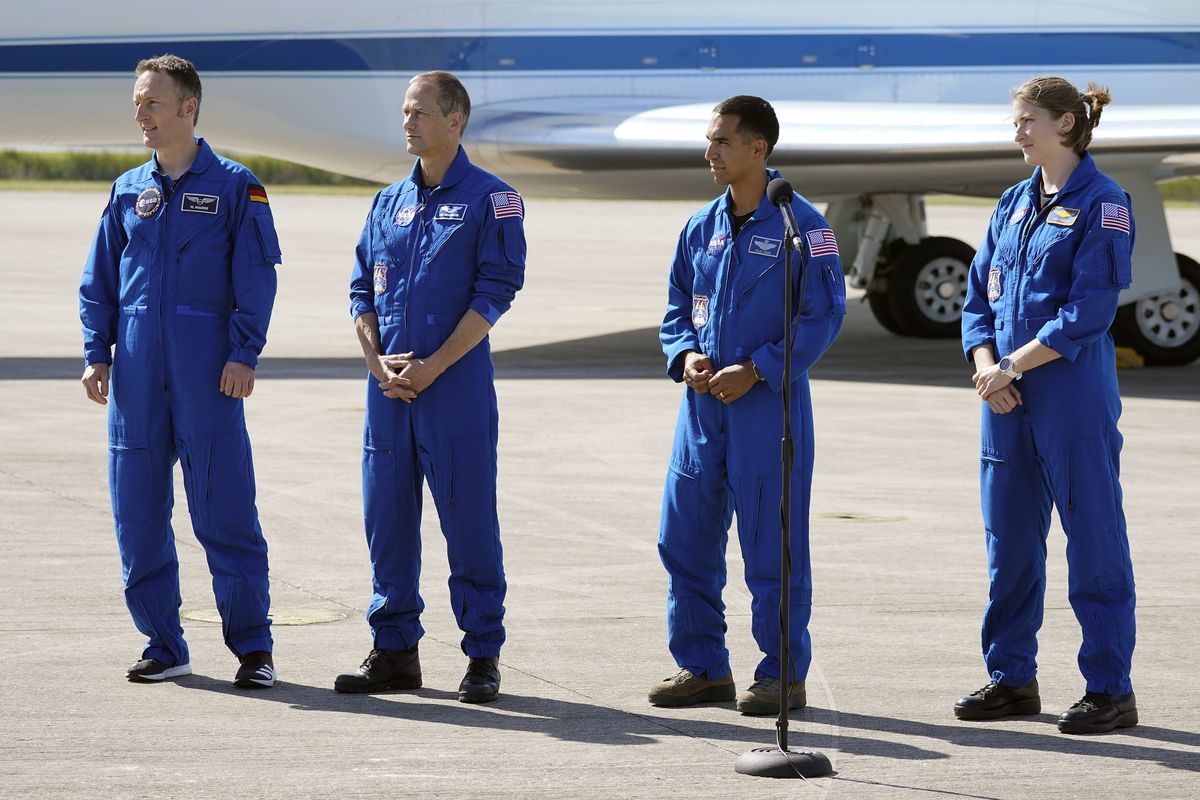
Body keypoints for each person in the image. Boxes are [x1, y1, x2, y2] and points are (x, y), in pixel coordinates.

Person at [78, 54, 282, 688]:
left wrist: (244, 354)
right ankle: (164, 644)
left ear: (188, 108)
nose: (141, 113)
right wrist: (97, 353)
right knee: (136, 515)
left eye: (152, 103)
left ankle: (253, 649)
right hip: (136, 379)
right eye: (138, 102)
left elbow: (256, 278)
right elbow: (100, 281)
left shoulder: (234, 186)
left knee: (224, 514)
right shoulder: (126, 191)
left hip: (207, 377)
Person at [648, 96, 846, 715]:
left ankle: (781, 673)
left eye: (721, 142)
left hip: (767, 412)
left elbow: (824, 315)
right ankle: (702, 666)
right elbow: (678, 307)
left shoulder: (802, 227)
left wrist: (759, 368)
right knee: (684, 542)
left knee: (772, 546)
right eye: (709, 142)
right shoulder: (700, 225)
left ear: (758, 150)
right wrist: (686, 356)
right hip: (702, 414)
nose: (710, 153)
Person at [336, 71, 526, 703]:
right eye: (404, 112)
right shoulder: (387, 201)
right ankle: (394, 651)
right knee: (385, 521)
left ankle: (482, 655)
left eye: (420, 112)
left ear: (455, 121)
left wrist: (436, 365)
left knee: (468, 522)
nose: (408, 122)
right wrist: (373, 357)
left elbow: (495, 292)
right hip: (388, 393)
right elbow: (362, 284)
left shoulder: (492, 199)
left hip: (454, 389)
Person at [957, 76, 1138, 734]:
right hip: (1003, 402)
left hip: (1071, 402)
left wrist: (1011, 365)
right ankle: (1011, 678)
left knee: (1093, 544)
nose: (1017, 130)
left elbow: (1087, 312)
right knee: (1009, 545)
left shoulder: (1104, 204)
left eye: (1028, 119)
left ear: (1065, 123)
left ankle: (1110, 688)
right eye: (1016, 120)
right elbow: (977, 299)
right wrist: (987, 368)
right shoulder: (1011, 203)